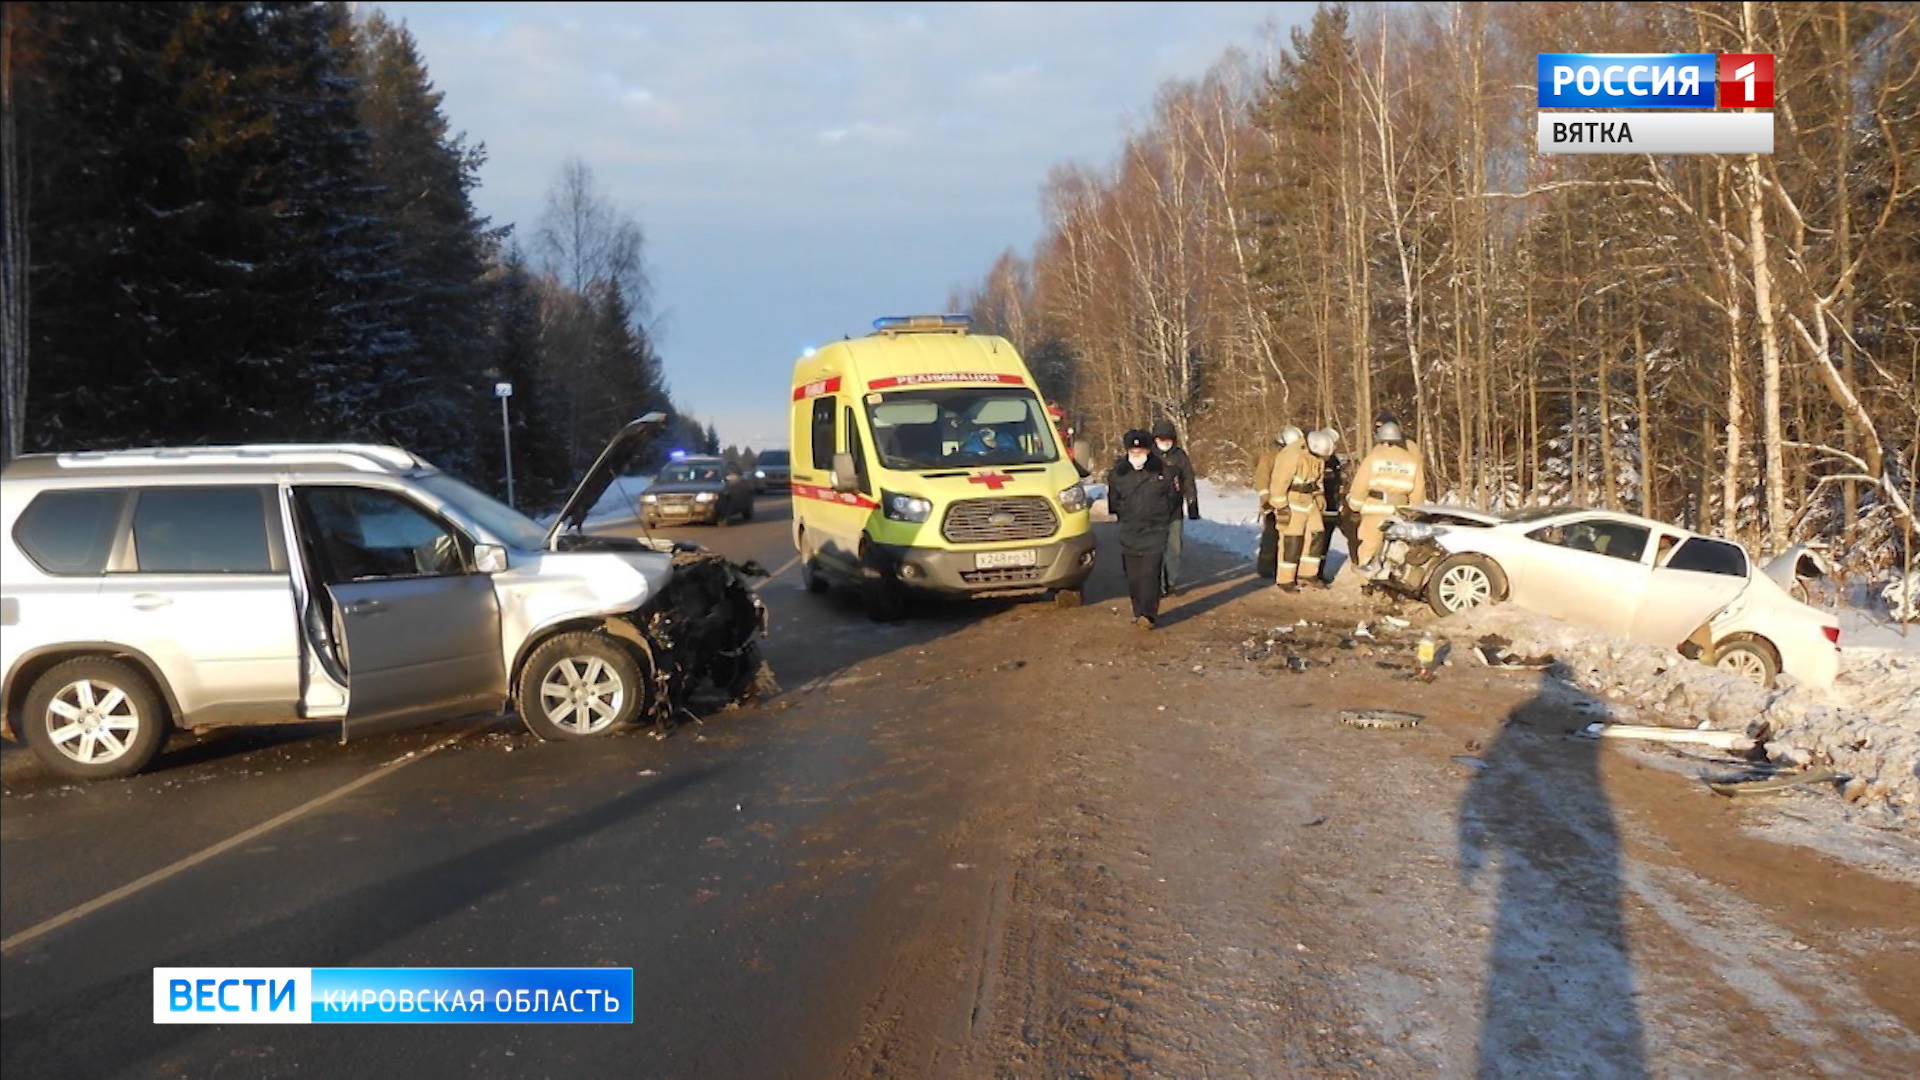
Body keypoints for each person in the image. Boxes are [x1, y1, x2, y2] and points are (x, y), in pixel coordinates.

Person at [1108, 429, 1177, 629]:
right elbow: (1114, 501)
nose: (1137, 454)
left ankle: (1149, 614)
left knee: (1150, 574)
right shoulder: (1118, 473)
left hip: (1155, 531)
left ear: (1148, 451)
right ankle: (1138, 612)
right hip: (1129, 531)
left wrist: (1160, 517)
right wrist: (1125, 513)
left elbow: (1172, 499)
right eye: (1133, 450)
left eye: (1141, 450)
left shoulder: (1163, 471)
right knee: (1134, 577)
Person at [1348, 414, 1426, 568]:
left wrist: (1354, 505)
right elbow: (1419, 490)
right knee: (1396, 550)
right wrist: (1415, 511)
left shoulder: (1374, 457)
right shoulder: (1411, 459)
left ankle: (1368, 583)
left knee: (1370, 545)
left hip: (1374, 510)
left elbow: (1360, 484)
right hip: (1400, 512)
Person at [1267, 426, 1326, 590]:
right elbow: (1279, 481)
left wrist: (1320, 496)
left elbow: (1318, 480)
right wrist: (1280, 506)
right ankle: (1285, 579)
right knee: (1291, 540)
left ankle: (1308, 573)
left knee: (1316, 535)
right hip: (1293, 500)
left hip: (1310, 500)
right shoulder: (1291, 454)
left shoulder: (1318, 457)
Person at [1151, 419, 1200, 596]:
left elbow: (1189, 480)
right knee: (1155, 549)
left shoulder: (1180, 457)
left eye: (1168, 439)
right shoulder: (1149, 456)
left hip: (1174, 510)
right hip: (1153, 511)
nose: (1165, 443)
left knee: (1174, 549)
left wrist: (1192, 505)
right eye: (1161, 439)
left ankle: (1170, 581)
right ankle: (1157, 584)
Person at [1254, 427, 1304, 582]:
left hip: (1292, 502)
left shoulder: (1297, 456)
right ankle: (1266, 566)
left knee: (1290, 537)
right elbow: (1262, 481)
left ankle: (1286, 567)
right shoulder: (1270, 457)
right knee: (1271, 535)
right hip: (1273, 503)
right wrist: (1267, 502)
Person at [1317, 428, 1349, 585]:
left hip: (1333, 505)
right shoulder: (1317, 460)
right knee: (1317, 540)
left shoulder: (1334, 461)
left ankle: (1319, 571)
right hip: (1321, 505)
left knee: (1325, 540)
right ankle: (1312, 572)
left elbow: (1337, 483)